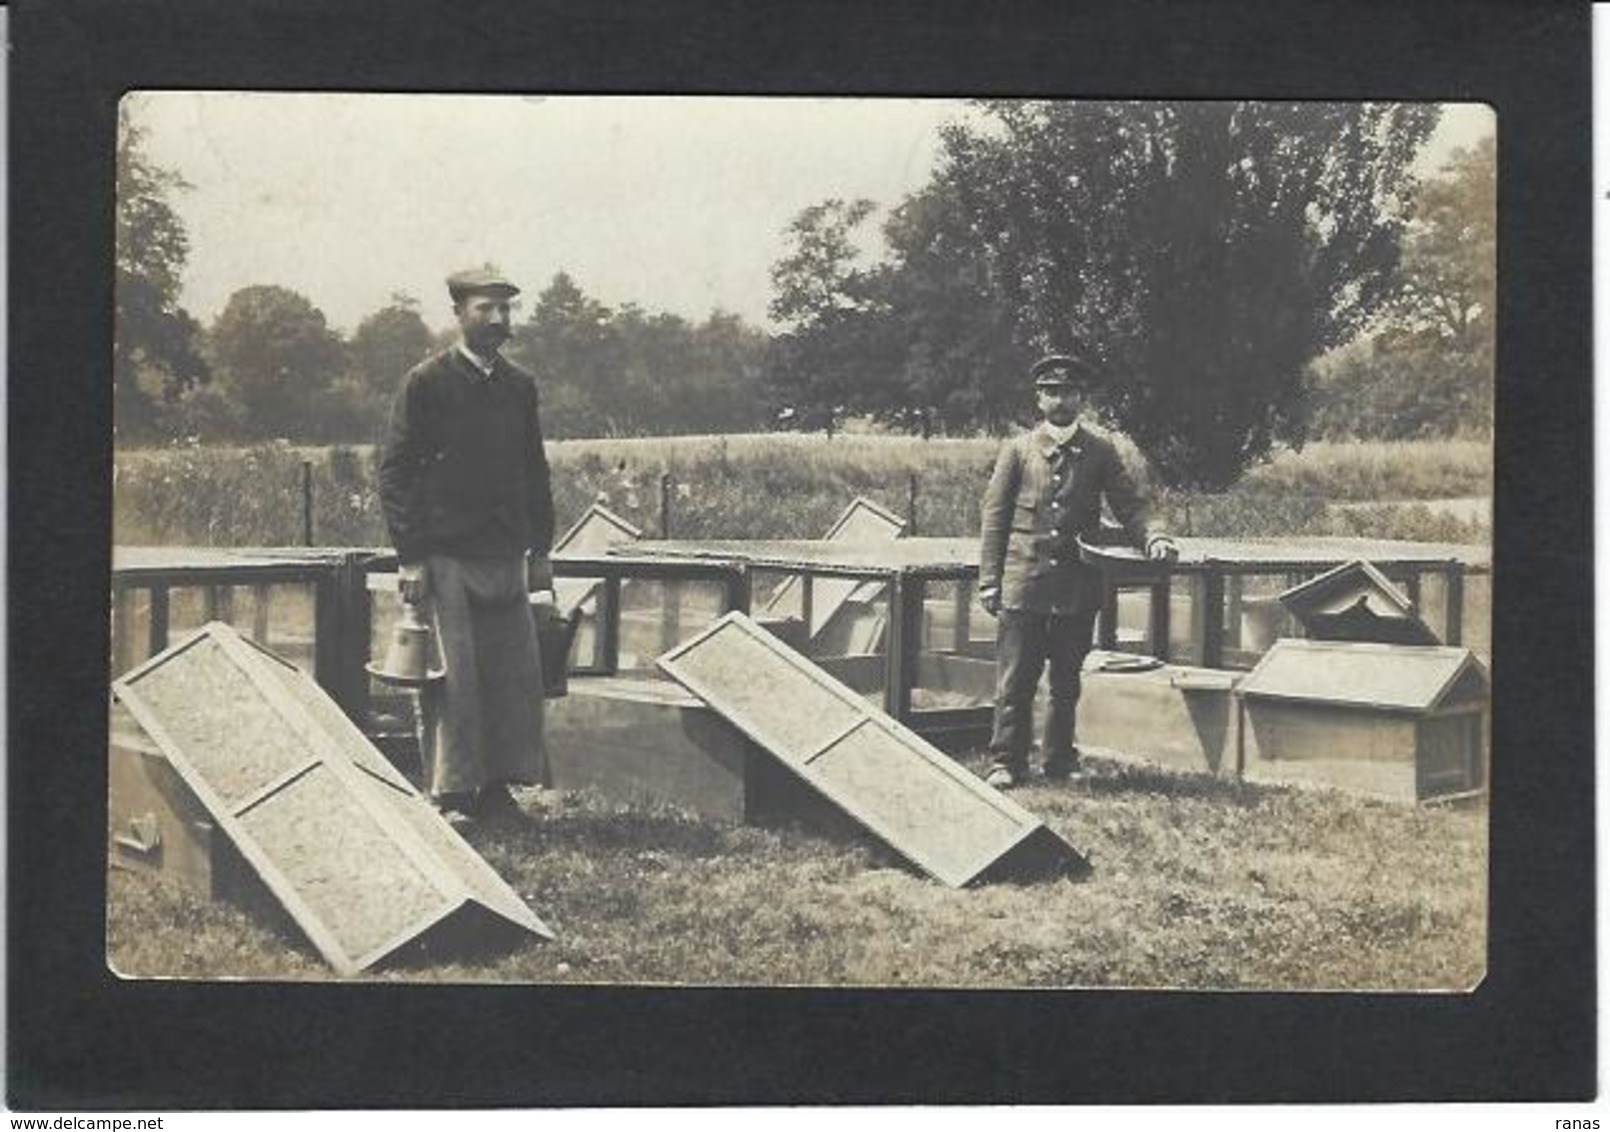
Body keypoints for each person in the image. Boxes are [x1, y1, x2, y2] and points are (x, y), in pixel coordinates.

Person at [378, 266, 556, 825]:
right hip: (446, 554)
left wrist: (541, 551)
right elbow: (396, 473)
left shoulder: (519, 386)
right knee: (454, 680)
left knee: (510, 676)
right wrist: (410, 556)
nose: (499, 319)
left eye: (506, 309)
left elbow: (534, 469)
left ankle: (497, 789)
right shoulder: (425, 382)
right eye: (486, 309)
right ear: (459, 314)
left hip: (505, 553)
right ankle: (451, 795)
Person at [976, 353, 1176, 789]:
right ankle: (1005, 761)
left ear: (1081, 398)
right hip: (1023, 582)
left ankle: (1060, 760)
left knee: (1067, 679)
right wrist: (989, 580)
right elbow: (994, 517)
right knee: (1015, 679)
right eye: (1051, 392)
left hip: (1076, 585)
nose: (1060, 401)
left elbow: (1132, 505)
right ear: (1039, 399)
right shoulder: (1017, 451)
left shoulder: (1101, 451)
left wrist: (1155, 537)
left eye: (1068, 392)